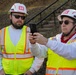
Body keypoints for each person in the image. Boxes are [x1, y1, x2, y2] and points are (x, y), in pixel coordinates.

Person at [0, 3, 44, 75]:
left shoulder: (31, 32)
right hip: (6, 73)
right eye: (17, 16)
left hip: (26, 73)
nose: (20, 19)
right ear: (10, 16)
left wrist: (32, 70)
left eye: (23, 17)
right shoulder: (2, 33)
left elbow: (41, 54)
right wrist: (0, 69)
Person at [29, 9, 76, 75]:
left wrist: (46, 41)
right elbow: (39, 54)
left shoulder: (50, 42)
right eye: (61, 22)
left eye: (66, 22)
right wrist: (33, 44)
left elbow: (69, 52)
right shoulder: (53, 39)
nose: (63, 25)